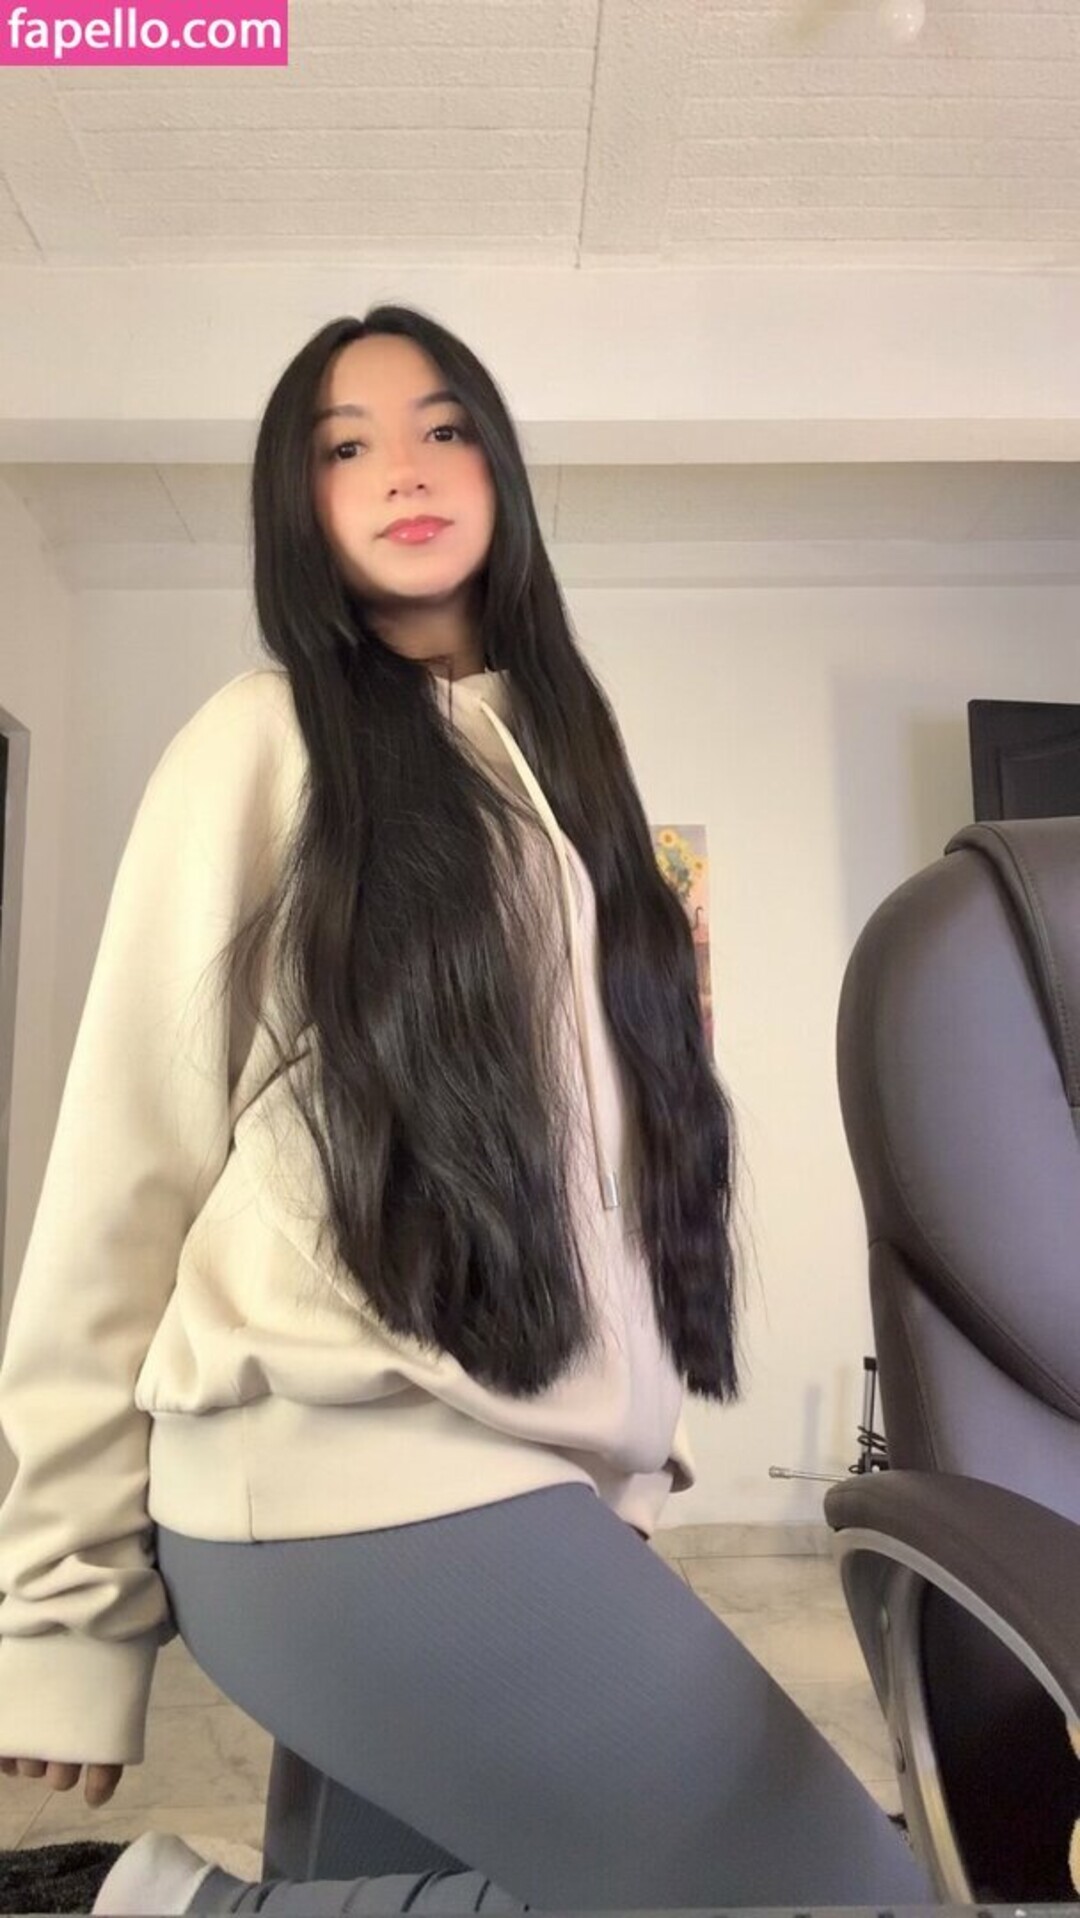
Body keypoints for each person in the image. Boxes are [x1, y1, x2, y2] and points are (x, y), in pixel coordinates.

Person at [0, 308, 933, 1915]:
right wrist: (58, 1608)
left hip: (504, 1488)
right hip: (327, 1474)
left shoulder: (574, 779)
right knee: (846, 1892)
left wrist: (621, 1480)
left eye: (442, 429)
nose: (404, 470)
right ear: (297, 505)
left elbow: (621, 1169)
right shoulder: (261, 739)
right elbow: (122, 1170)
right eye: (344, 445)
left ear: (498, 467)